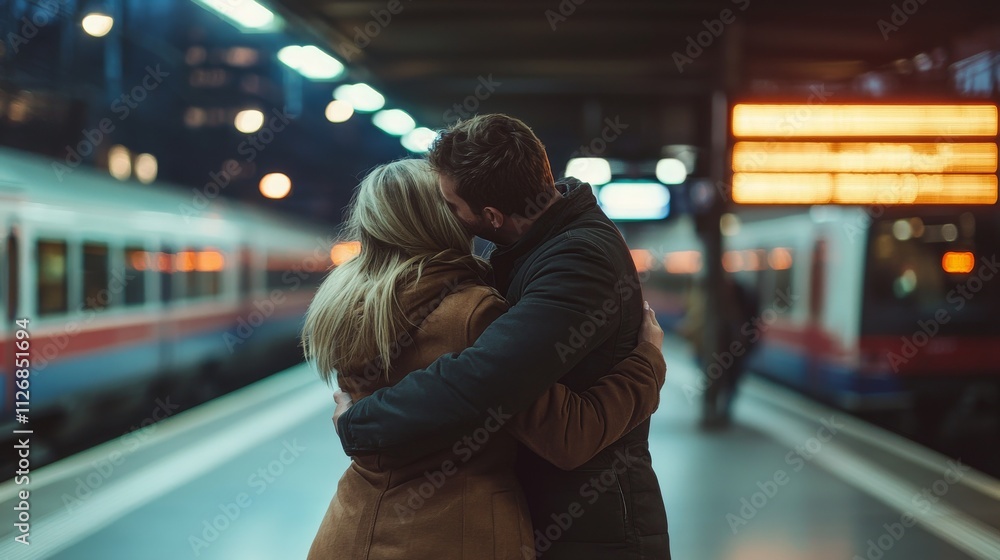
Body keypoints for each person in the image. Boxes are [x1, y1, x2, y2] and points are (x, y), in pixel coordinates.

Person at [331, 115, 671, 559]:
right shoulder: (487, 288)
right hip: (479, 529)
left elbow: (483, 379)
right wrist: (648, 362)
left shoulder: (575, 258)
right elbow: (552, 424)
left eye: (452, 204)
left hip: (587, 523)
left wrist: (358, 422)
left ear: (491, 215)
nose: (455, 217)